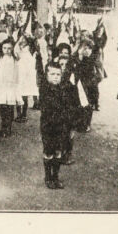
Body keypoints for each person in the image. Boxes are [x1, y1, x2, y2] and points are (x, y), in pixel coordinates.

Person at [36, 56, 80, 189]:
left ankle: (55, 176)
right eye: (52, 74)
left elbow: (71, 107)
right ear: (47, 75)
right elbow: (50, 106)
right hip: (49, 126)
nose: (55, 77)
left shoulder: (64, 88)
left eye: (58, 74)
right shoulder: (44, 89)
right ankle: (48, 177)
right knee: (49, 151)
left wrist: (71, 125)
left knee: (59, 151)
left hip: (62, 126)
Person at [0, 38, 19, 139]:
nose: (6, 50)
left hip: (10, 86)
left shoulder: (14, 59)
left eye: (9, 48)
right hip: (1, 86)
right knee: (3, 107)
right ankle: (3, 128)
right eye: (4, 48)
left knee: (9, 107)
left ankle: (8, 128)